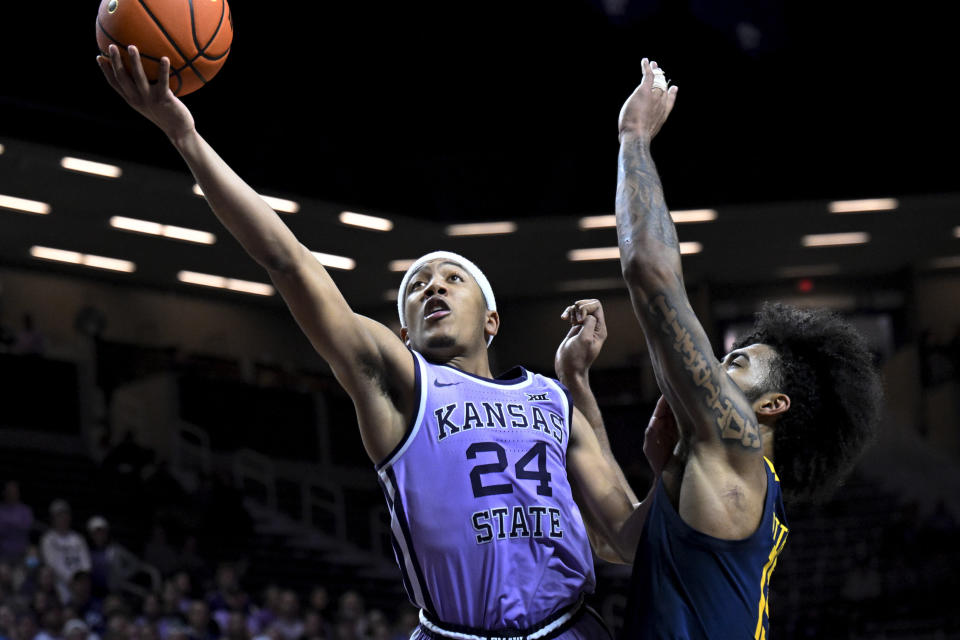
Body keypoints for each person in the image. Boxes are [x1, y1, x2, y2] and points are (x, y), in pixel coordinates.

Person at [97, 44, 639, 639]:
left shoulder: (553, 400)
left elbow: (627, 537)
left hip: (571, 630)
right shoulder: (402, 381)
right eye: (417, 286)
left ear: (491, 320)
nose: (434, 287)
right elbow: (287, 261)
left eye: (453, 279)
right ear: (403, 332)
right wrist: (185, 136)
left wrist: (589, 388)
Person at [607, 59, 883, 638]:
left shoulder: (735, 439)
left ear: (770, 405)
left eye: (735, 362)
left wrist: (635, 138)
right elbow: (615, 540)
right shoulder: (735, 479)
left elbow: (650, 273)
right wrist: (577, 381)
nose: (712, 365)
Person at [40, 500, 92, 604]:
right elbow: (51, 563)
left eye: (65, 514)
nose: (63, 518)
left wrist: (80, 580)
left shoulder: (77, 538)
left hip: (80, 582)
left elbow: (86, 563)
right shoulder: (48, 539)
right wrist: (70, 580)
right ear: (53, 518)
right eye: (59, 515)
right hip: (60, 582)